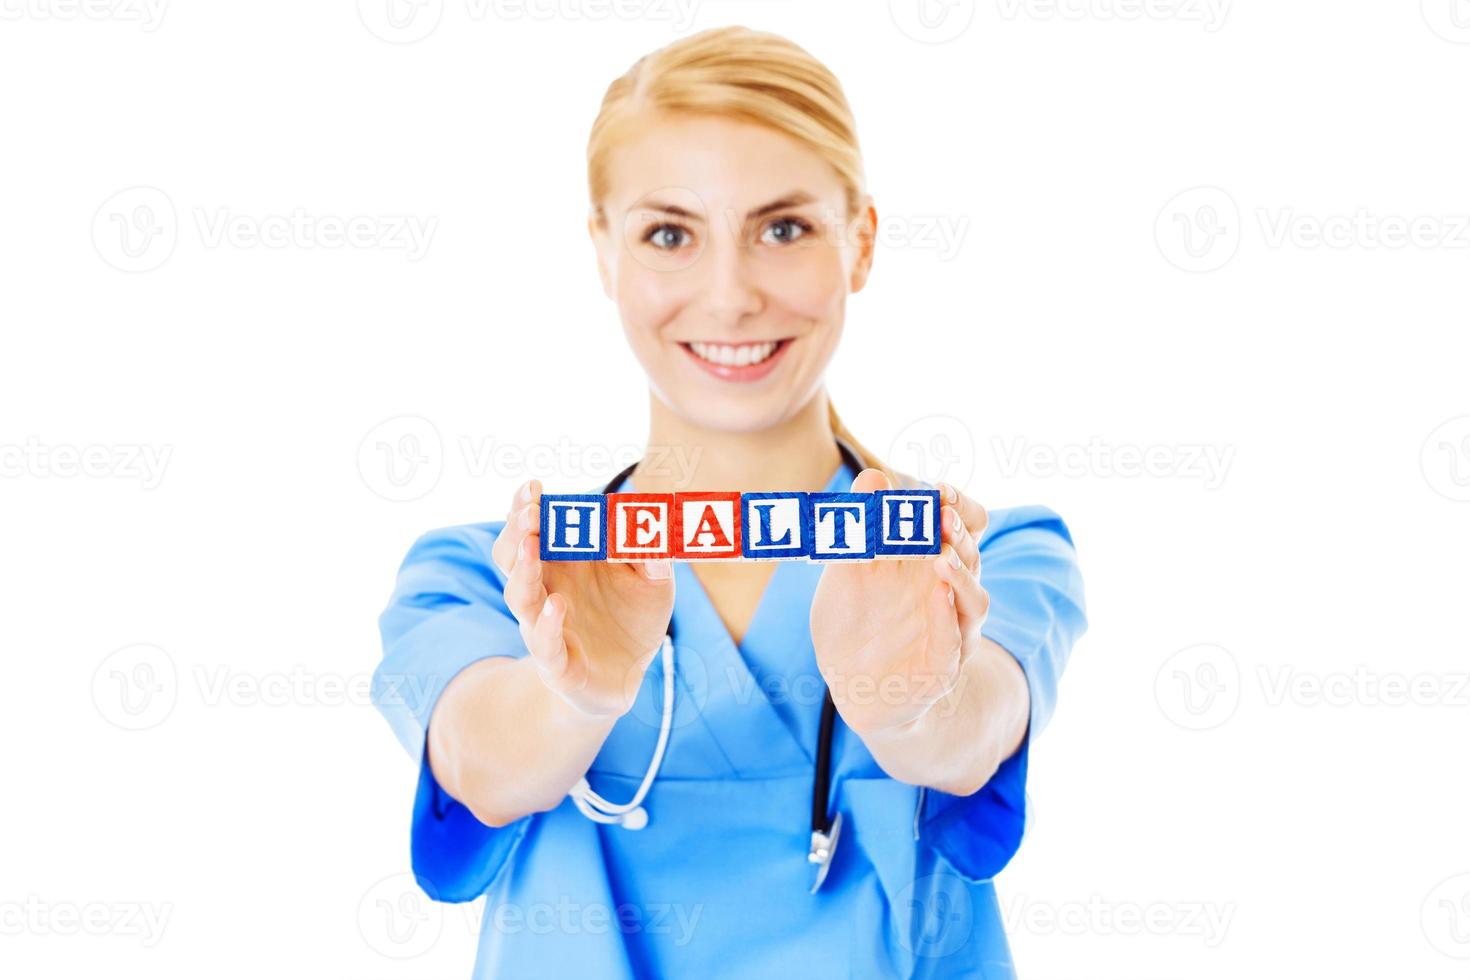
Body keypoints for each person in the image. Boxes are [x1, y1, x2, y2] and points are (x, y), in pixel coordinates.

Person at [373, 25, 1087, 978]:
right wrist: (570, 697)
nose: (729, 295)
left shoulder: (985, 558)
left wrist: (913, 708)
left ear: (862, 242)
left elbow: (976, 732)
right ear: (603, 252)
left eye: (783, 228)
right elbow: (480, 762)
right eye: (670, 234)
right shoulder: (489, 573)